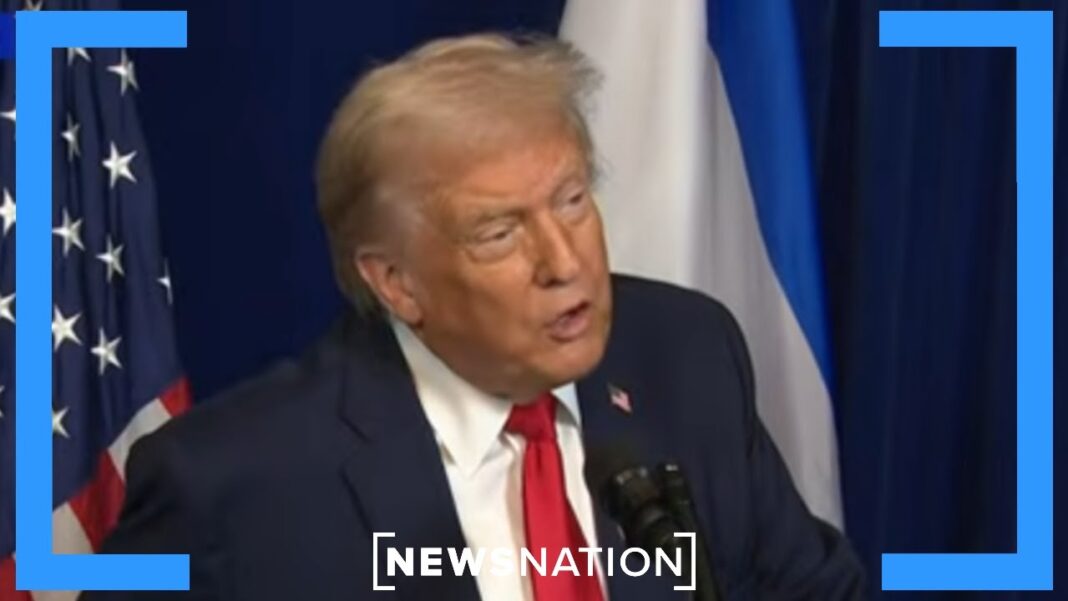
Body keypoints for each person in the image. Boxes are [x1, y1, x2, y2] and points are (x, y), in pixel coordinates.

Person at [82, 33, 865, 600]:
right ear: (397, 282)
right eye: (499, 233)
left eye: (572, 200)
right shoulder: (237, 486)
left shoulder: (684, 354)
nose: (564, 261)